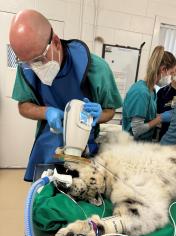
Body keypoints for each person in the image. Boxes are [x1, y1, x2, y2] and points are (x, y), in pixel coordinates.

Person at [9, 9, 122, 182]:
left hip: (83, 153)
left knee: (75, 203)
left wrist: (99, 116)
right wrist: (46, 112)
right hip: (47, 149)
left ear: (55, 42)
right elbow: (23, 106)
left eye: (38, 60)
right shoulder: (26, 67)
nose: (34, 67)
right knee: (43, 202)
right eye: (26, 62)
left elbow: (110, 110)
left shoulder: (96, 69)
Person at [122, 46, 176, 141]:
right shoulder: (140, 92)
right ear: (163, 69)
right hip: (132, 147)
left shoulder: (152, 91)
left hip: (144, 144)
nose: (171, 78)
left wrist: (160, 116)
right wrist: (160, 119)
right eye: (171, 73)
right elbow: (137, 130)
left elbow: (147, 118)